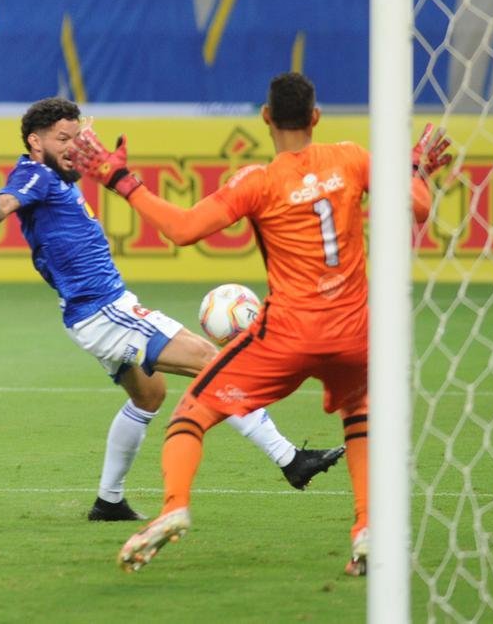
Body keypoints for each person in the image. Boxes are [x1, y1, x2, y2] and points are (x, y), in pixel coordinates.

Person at [70, 72, 451, 574]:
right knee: (360, 412)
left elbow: (183, 230)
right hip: (356, 334)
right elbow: (418, 205)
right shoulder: (352, 159)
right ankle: (365, 529)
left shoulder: (257, 182)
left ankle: (174, 506)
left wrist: (119, 179)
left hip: (288, 334)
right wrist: (415, 167)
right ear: (315, 118)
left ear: (266, 118)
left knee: (194, 409)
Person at [0, 97, 345, 522]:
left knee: (149, 395)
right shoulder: (35, 173)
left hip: (97, 312)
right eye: (63, 139)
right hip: (103, 311)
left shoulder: (57, 174)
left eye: (77, 136)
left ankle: (108, 502)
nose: (73, 146)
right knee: (214, 363)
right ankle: (290, 459)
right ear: (35, 143)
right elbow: (8, 198)